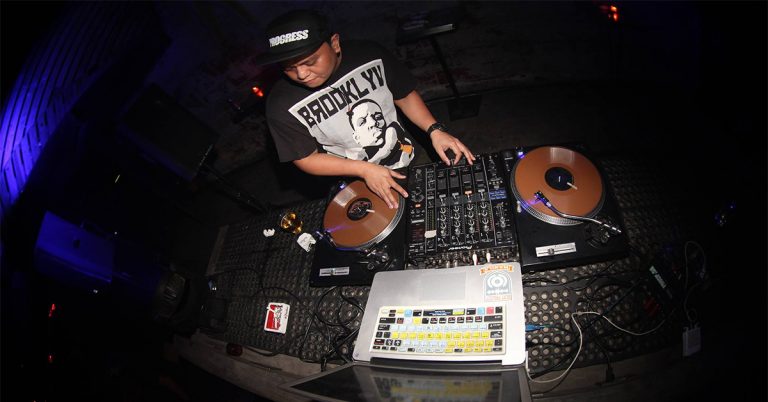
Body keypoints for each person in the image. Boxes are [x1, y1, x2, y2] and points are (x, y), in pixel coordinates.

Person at [258, 9, 474, 209]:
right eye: (289, 67)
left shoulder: (370, 54)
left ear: (334, 43)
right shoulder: (280, 103)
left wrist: (434, 129)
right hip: (357, 184)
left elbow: (404, 95)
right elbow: (306, 158)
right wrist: (363, 169)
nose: (302, 74)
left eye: (310, 61)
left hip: (410, 157)